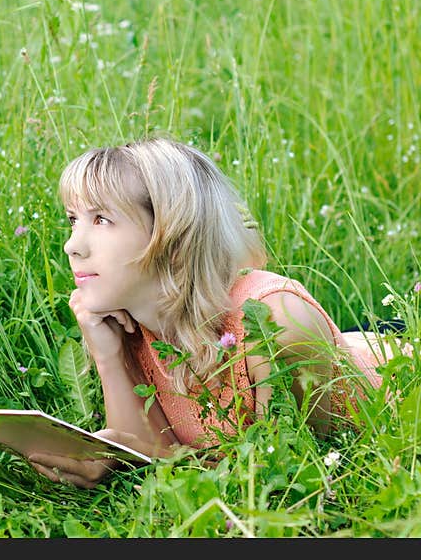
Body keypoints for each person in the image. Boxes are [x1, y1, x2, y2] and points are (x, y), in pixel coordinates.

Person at [28, 137, 407, 489]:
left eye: (101, 220)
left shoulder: (274, 324)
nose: (71, 245)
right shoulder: (127, 318)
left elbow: (286, 475)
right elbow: (145, 448)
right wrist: (108, 357)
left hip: (403, 366)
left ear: (174, 233)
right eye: (73, 219)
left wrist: (147, 460)